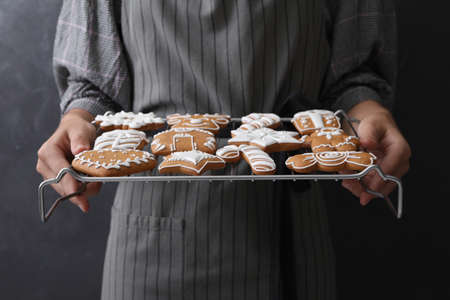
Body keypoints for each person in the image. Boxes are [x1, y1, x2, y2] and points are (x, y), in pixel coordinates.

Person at [36, 0, 411, 299]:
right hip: (158, 237)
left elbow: (355, 75)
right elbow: (93, 88)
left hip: (288, 233)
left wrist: (370, 113)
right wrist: (77, 124)